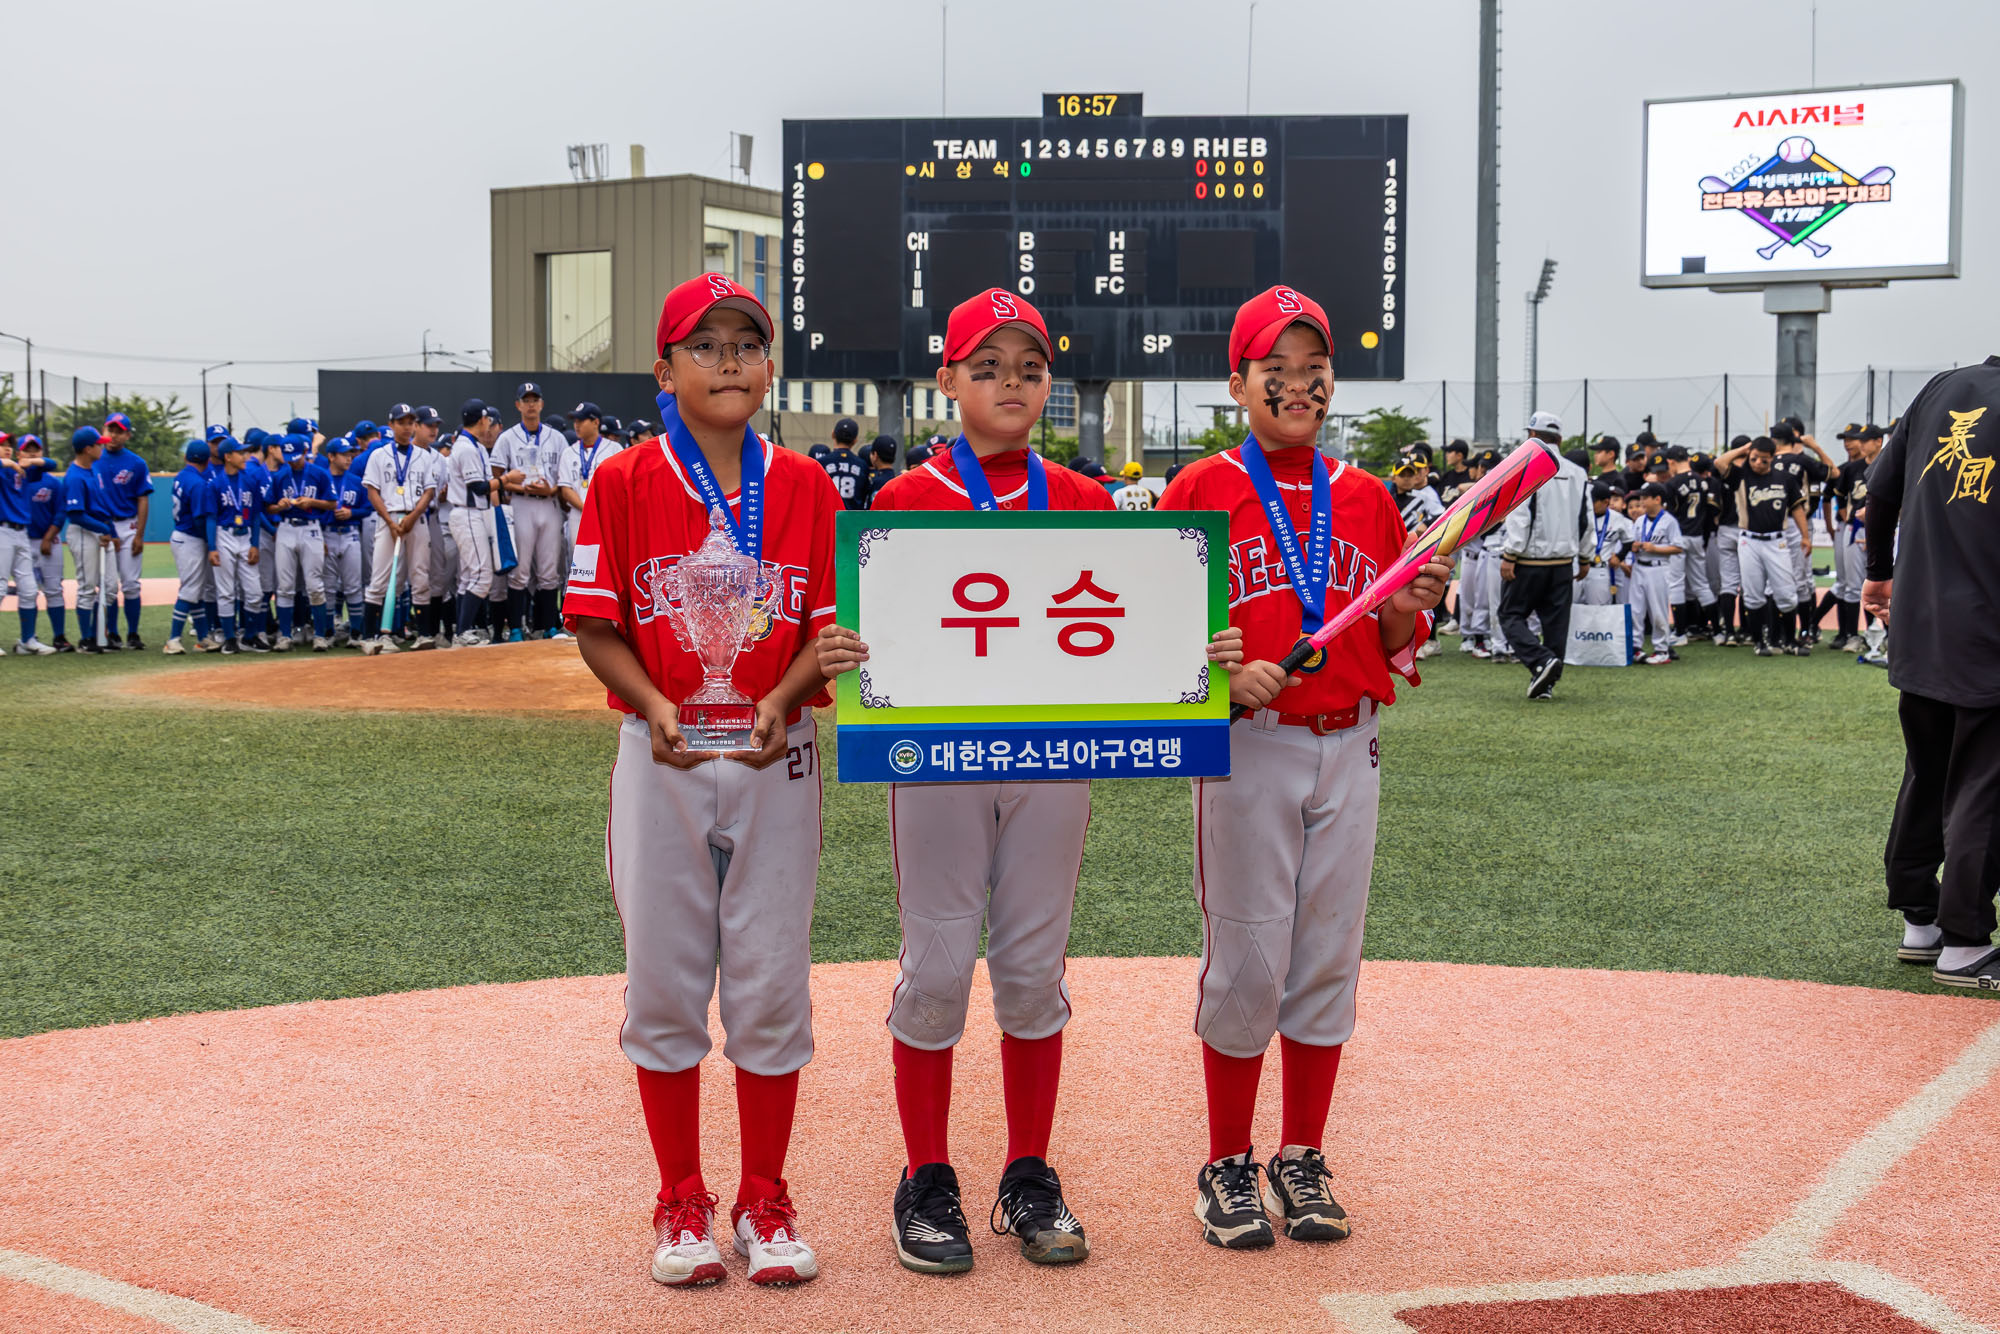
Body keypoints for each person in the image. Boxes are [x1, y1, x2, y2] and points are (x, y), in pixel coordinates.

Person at [816, 289, 1114, 1276]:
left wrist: (1184, 652)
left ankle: (1028, 1171)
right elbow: (868, 645)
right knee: (938, 964)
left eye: (1028, 365)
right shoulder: (898, 504)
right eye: (984, 365)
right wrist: (840, 649)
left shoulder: (1082, 499)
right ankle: (926, 1173)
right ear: (945, 380)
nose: (1010, 383)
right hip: (936, 762)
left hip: (1052, 759)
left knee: (1032, 969)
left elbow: (1122, 636)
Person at [1157, 285, 1445, 1252]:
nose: (1296, 385)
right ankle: (1227, 1163)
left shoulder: (1363, 498)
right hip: (1250, 744)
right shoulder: (1200, 489)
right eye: (1273, 369)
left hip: (1350, 740)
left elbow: (1397, 634)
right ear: (1237, 382)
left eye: (1312, 369)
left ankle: (1301, 1156)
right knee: (1246, 955)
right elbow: (1159, 635)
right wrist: (1219, 675)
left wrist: (1417, 600)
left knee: (1326, 957)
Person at [564, 273, 837, 1290]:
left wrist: (785, 692)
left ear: (769, 365)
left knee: (770, 981)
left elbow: (825, 631)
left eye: (747, 342)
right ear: (663, 368)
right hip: (663, 752)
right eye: (705, 342)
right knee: (665, 980)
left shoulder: (805, 486)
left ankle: (763, 1196)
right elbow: (596, 623)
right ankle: (679, 1194)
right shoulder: (625, 480)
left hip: (778, 752)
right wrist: (656, 700)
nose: (728, 359)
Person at [1862, 360, 2000, 988]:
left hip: (1919, 624)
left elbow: (1881, 488)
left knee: (1928, 769)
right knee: (1982, 784)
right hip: (1987, 627)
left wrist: (1877, 569)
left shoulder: (1940, 387)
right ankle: (1965, 941)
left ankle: (1920, 920)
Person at [1497, 411, 1589, 699]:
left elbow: (1520, 514)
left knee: (1510, 615)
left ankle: (1541, 662)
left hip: (1528, 561)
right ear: (1560, 439)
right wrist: (1585, 557)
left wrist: (1510, 554)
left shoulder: (1527, 467)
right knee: (1555, 624)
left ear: (1532, 437)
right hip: (1563, 563)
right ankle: (1545, 683)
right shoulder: (1578, 472)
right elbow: (1585, 520)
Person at [1714, 437, 1812, 656]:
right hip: (1749, 540)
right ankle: (1759, 643)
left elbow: (1797, 508)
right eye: (1754, 458)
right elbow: (1720, 463)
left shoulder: (1785, 478)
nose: (1758, 463)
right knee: (1753, 594)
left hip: (1777, 540)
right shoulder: (1741, 476)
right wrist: (1743, 449)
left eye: (1763, 460)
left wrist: (1805, 536)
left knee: (1786, 594)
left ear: (1773, 458)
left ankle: (1790, 641)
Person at [361, 407, 437, 654]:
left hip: (416, 519)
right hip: (390, 518)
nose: (406, 426)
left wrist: (413, 516)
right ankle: (370, 635)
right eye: (401, 422)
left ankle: (424, 634)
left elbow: (429, 491)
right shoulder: (379, 455)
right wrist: (391, 522)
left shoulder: (424, 456)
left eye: (410, 422)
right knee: (380, 579)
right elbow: (372, 491)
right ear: (391, 424)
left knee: (420, 576)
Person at [493, 382, 566, 638]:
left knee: (549, 569)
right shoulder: (507, 438)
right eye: (526, 400)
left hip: (548, 505)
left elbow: (564, 478)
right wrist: (520, 486)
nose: (531, 404)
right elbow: (497, 477)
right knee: (520, 571)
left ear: (542, 404)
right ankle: (515, 627)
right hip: (521, 504)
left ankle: (547, 626)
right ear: (518, 405)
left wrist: (552, 489)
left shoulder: (556, 438)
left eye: (535, 399)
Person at [265, 435, 336, 651]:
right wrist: (279, 506)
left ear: (305, 452)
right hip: (286, 527)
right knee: (285, 585)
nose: (292, 461)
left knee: (315, 584)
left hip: (311, 527)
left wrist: (312, 502)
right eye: (289, 457)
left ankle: (320, 635)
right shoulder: (280, 475)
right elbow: (268, 507)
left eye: (296, 457)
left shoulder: (318, 473)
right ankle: (285, 636)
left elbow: (332, 504)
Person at [1769, 420, 1833, 644]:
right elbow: (1832, 472)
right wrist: (1815, 447)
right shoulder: (1803, 460)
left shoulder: (1764, 462)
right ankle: (1805, 631)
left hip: (1774, 525)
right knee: (1800, 580)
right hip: (1798, 524)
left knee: (1774, 581)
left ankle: (1775, 635)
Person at [93, 411, 152, 650]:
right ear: (104, 431)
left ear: (127, 434)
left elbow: (143, 499)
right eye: (111, 429)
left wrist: (139, 534)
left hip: (127, 525)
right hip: (103, 527)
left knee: (130, 584)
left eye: (119, 430)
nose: (114, 434)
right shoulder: (94, 458)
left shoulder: (136, 463)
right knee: (107, 585)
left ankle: (133, 634)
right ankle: (113, 633)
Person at [0, 435, 58, 653]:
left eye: (9, 445)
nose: (6, 448)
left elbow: (52, 464)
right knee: (0, 586)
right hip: (2, 531)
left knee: (29, 589)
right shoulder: (3, 468)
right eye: (2, 445)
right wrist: (5, 462)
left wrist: (29, 462)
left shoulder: (22, 471)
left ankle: (27, 641)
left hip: (21, 532)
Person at [207, 435, 263, 654]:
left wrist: (255, 544)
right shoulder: (216, 484)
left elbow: (257, 515)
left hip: (245, 534)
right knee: (226, 591)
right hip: (224, 535)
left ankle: (249, 636)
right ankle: (230, 638)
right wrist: (212, 547)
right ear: (228, 457)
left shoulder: (250, 480)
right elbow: (211, 517)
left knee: (254, 591)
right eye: (240, 453)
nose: (245, 456)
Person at [62, 428, 116, 653]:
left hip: (99, 531)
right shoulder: (74, 475)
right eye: (99, 444)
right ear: (88, 448)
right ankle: (86, 639)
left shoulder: (92, 471)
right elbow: (76, 514)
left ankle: (98, 634)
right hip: (83, 532)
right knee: (87, 588)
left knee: (111, 587)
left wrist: (109, 531)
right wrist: (102, 529)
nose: (102, 447)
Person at [162, 440, 218, 654]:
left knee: (197, 590)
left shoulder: (182, 476)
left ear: (186, 457)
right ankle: (173, 639)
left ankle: (203, 637)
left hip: (182, 536)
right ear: (207, 460)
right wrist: (212, 542)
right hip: (190, 538)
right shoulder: (198, 483)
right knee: (190, 589)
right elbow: (199, 520)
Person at [20, 436, 73, 651]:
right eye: (27, 450)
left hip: (49, 542)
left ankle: (59, 637)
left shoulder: (52, 482)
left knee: (53, 589)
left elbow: (61, 513)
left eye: (36, 450)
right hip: (23, 540)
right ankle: (28, 638)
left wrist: (49, 537)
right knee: (27, 591)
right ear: (19, 454)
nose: (32, 454)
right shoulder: (15, 479)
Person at [1455, 449, 1505, 658]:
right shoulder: (1474, 489)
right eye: (1479, 467)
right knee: (1468, 599)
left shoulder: (1496, 490)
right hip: (1470, 554)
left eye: (1483, 468)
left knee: (1482, 600)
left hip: (1486, 553)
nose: (1477, 471)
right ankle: (1468, 637)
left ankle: (1478, 639)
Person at [1628, 482, 1684, 664]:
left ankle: (1661, 649)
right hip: (1639, 566)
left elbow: (1677, 548)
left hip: (1658, 567)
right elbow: (1633, 542)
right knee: (1636, 610)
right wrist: (1635, 547)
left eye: (1645, 497)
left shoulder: (1669, 521)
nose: (1642, 501)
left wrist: (1655, 548)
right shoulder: (1639, 521)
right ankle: (1636, 647)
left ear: (1657, 499)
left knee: (1658, 610)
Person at [557, 402, 623, 551]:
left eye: (581, 420)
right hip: (578, 514)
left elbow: (620, 485)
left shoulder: (614, 449)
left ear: (596, 422)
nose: (576, 425)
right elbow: (566, 490)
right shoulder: (568, 452)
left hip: (606, 514)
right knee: (578, 560)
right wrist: (587, 508)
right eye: (575, 421)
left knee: (607, 556)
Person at [323, 436, 368, 646]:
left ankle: (356, 633)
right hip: (328, 533)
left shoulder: (356, 481)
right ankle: (328, 632)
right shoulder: (322, 479)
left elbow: (367, 509)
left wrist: (352, 513)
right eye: (344, 454)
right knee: (329, 587)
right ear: (331, 456)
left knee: (353, 586)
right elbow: (314, 510)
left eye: (350, 453)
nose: (349, 458)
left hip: (350, 533)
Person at [1576, 479, 1634, 607]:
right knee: (1571, 608)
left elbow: (1629, 540)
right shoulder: (1580, 514)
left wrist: (1619, 557)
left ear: (1605, 502)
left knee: (1598, 611)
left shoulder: (1617, 518)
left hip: (1599, 569)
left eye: (1593, 501)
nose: (1589, 504)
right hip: (1577, 567)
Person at [818, 417, 870, 510]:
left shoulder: (821, 463)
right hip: (853, 521)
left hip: (829, 518)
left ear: (833, 434)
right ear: (855, 440)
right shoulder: (862, 465)